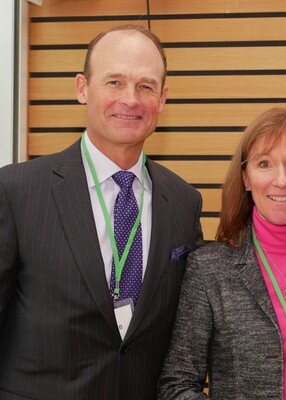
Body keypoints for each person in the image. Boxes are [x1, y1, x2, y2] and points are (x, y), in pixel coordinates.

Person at [0, 25, 203, 399]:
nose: (130, 99)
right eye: (114, 82)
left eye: (146, 86)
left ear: (162, 99)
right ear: (82, 88)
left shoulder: (184, 202)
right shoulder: (15, 192)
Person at [158, 107, 286, 399]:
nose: (281, 180)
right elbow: (175, 386)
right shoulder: (209, 270)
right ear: (245, 177)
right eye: (264, 164)